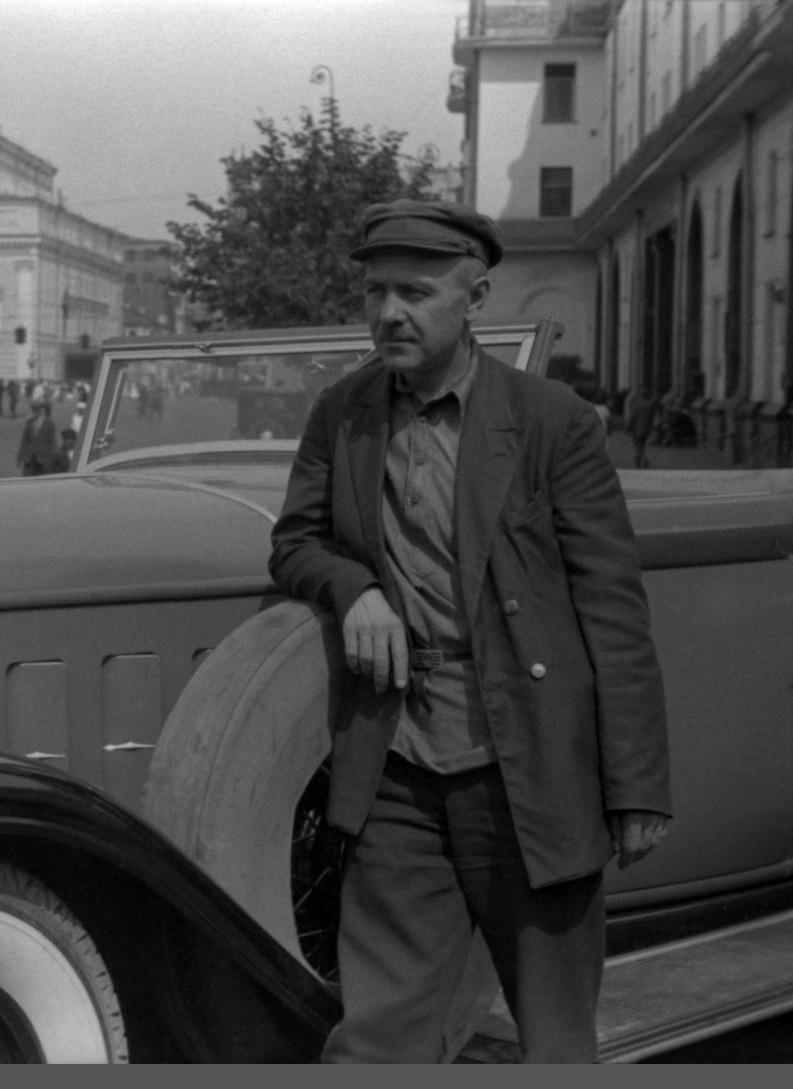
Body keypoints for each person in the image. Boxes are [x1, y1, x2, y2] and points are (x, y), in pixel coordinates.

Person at [267, 200, 671, 1063]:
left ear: (476, 296)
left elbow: (612, 604)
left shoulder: (549, 420)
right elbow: (295, 542)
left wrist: (635, 785)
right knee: (378, 1038)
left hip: (527, 771)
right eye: (375, 291)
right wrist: (354, 589)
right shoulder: (342, 413)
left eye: (414, 292)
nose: (388, 314)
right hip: (399, 770)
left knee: (556, 1040)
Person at [16, 400, 58, 476]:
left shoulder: (49, 423)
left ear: (42, 410)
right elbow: (24, 441)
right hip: (30, 457)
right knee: (27, 479)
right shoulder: (29, 422)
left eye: (37, 409)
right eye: (34, 409)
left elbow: (52, 442)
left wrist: (53, 459)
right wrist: (20, 457)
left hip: (43, 457)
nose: (36, 411)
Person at [625, 386, 655, 469]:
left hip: (636, 429)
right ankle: (639, 460)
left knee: (638, 446)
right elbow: (651, 419)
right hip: (646, 429)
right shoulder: (650, 406)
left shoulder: (637, 406)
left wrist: (626, 428)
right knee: (642, 445)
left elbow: (632, 418)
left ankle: (643, 459)